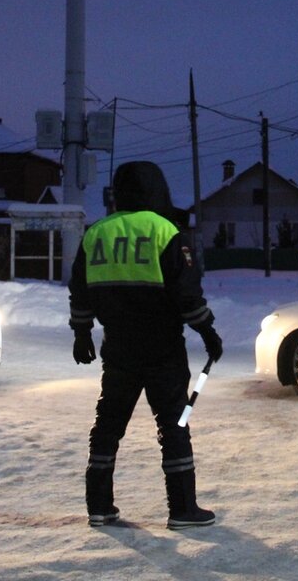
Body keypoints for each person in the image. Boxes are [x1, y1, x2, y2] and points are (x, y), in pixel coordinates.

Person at [68, 161, 224, 529]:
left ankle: (100, 506)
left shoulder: (96, 234)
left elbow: (80, 289)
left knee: (108, 424)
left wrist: (81, 333)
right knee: (175, 423)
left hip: (118, 350)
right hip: (163, 351)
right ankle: (182, 508)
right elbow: (187, 296)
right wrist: (208, 334)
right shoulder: (165, 231)